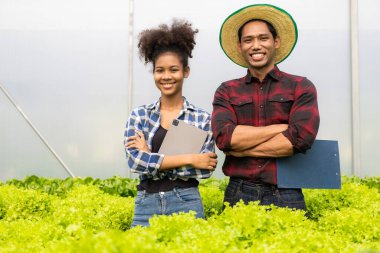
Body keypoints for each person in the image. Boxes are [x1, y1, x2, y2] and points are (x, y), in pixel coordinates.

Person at [212, 4, 320, 210]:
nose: (256, 45)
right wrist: (281, 128)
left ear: (276, 41)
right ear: (240, 46)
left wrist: (241, 150)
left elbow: (298, 140)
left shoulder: (301, 86)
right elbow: (225, 138)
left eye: (263, 38)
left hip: (287, 192)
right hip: (238, 191)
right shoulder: (226, 90)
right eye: (248, 40)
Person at [124, 19, 217, 227]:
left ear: (186, 72)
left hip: (187, 201)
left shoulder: (201, 118)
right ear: (154, 73)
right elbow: (135, 162)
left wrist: (151, 158)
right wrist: (191, 158)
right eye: (160, 70)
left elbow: (205, 169)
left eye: (173, 70)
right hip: (145, 204)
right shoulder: (140, 115)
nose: (166, 76)